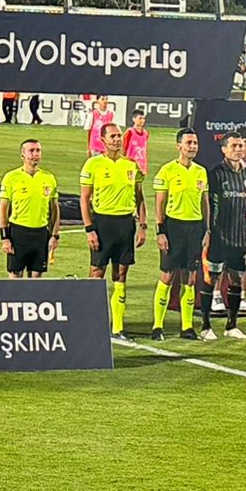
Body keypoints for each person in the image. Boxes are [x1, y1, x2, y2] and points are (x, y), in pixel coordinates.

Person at [80, 122, 146, 336]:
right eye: (113, 136)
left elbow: (139, 197)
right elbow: (84, 199)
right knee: (97, 272)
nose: (117, 139)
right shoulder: (93, 165)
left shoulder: (131, 166)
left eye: (119, 136)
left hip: (126, 224)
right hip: (102, 223)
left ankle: (117, 327)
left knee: (121, 273)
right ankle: (91, 324)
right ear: (103, 140)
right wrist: (89, 229)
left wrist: (143, 225)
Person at [150, 128, 209, 339]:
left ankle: (187, 327)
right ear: (179, 146)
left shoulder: (201, 172)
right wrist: (161, 231)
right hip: (173, 227)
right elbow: (159, 204)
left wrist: (207, 230)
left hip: (194, 228)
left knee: (190, 277)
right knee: (167, 275)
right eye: (189, 143)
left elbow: (205, 203)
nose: (192, 146)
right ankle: (158, 326)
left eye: (195, 143)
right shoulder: (166, 171)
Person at [206, 131, 246, 335]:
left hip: (238, 235)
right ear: (224, 149)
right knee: (212, 277)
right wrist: (210, 231)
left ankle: (231, 325)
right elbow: (211, 205)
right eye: (233, 146)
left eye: (240, 146)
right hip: (219, 235)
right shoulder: (216, 173)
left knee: (236, 278)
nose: (238, 150)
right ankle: (206, 325)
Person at [0, 137, 60, 279]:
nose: (35, 154)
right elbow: (3, 209)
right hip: (18, 233)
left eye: (38, 150)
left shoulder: (49, 178)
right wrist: (4, 238)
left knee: (36, 280)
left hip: (41, 234)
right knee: (15, 277)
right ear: (23, 155)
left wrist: (55, 235)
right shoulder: (11, 178)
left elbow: (54, 209)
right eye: (31, 151)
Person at [121, 109, 152, 175]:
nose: (142, 121)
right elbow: (124, 148)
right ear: (134, 119)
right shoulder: (130, 132)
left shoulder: (146, 133)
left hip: (141, 164)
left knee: (139, 183)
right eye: (140, 118)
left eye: (143, 118)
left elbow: (144, 150)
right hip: (130, 163)